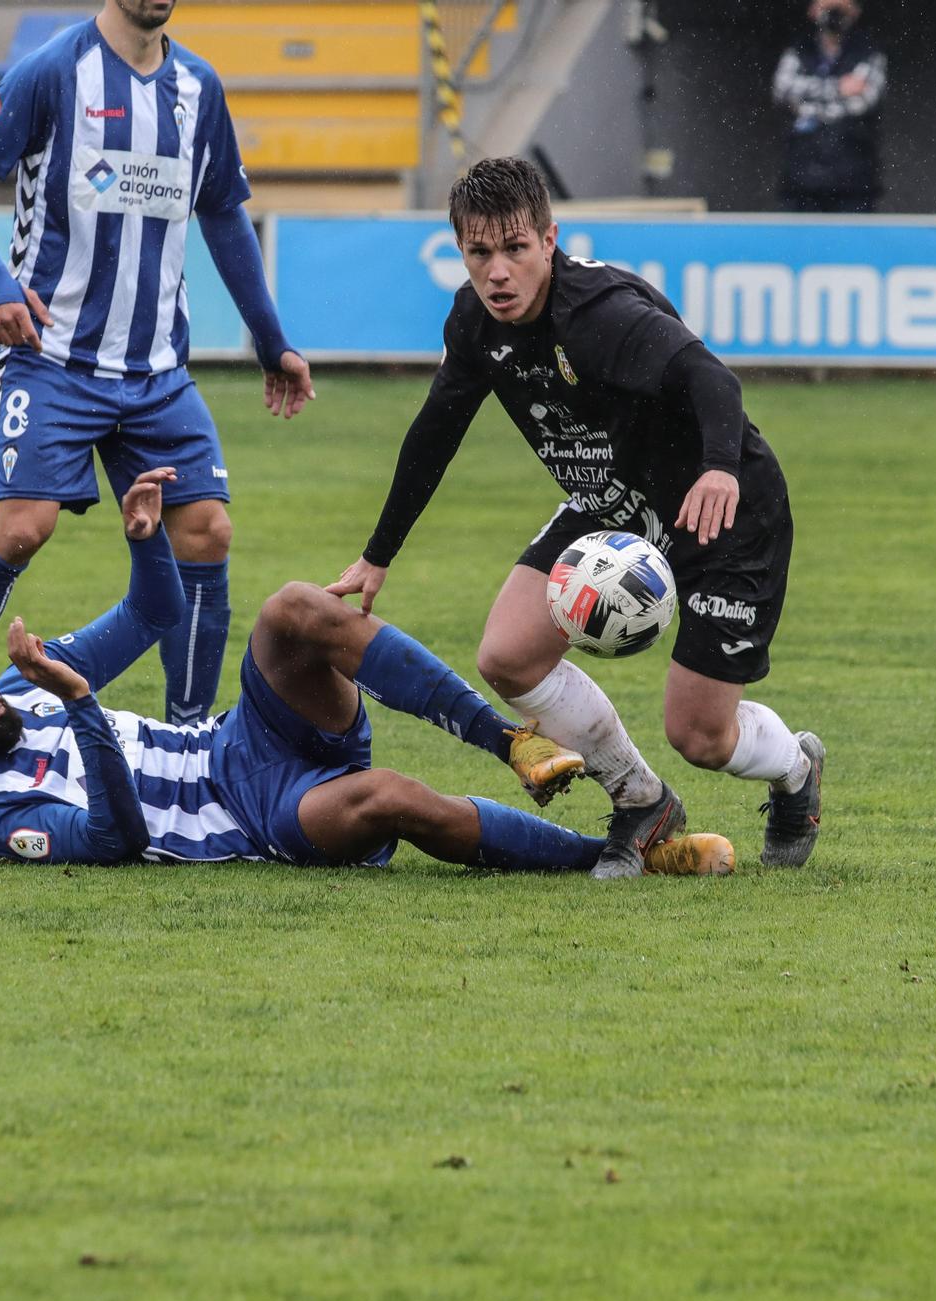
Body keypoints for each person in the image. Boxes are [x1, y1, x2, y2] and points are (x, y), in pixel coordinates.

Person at [326, 156, 824, 879]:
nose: (497, 272)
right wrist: (378, 554)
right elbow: (436, 428)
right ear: (460, 250)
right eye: (479, 252)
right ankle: (640, 798)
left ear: (549, 240)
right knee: (507, 656)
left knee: (701, 733)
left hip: (721, 510)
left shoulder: (600, 317)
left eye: (515, 249)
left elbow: (710, 377)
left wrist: (719, 466)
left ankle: (795, 772)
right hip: (611, 503)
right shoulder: (475, 323)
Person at [0, 0, 317, 796]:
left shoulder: (197, 88)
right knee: (21, 528)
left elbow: (221, 212)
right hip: (54, 357)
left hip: (155, 371)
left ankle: (194, 742)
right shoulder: (54, 70)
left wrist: (269, 336)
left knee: (207, 531)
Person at [0, 465, 733, 875]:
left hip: (241, 739)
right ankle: (612, 857)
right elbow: (114, 842)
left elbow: (152, 616)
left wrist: (144, 547)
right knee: (387, 794)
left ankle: (508, 738)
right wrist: (85, 705)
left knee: (291, 607)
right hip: (253, 817)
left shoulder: (22, 684)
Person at [772, 0, 887, 214]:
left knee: (852, 243)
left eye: (841, 10)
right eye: (827, 8)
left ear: (854, 13)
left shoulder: (868, 52)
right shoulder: (799, 50)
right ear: (813, 11)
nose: (834, 16)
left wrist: (808, 107)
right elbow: (783, 89)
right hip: (802, 177)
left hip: (853, 179)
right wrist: (838, 88)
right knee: (801, 243)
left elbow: (865, 101)